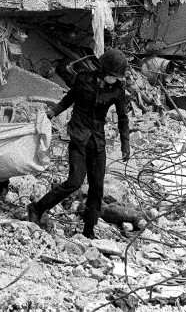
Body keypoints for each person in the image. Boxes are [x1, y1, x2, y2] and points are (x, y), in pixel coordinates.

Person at [28, 48, 131, 240]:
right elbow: (69, 99)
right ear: (103, 71)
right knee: (75, 181)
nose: (115, 79)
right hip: (78, 136)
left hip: (97, 141)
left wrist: (126, 144)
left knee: (97, 187)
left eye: (117, 77)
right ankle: (37, 208)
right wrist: (53, 112)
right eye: (112, 75)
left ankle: (89, 230)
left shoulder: (117, 90)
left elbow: (123, 119)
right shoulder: (83, 79)